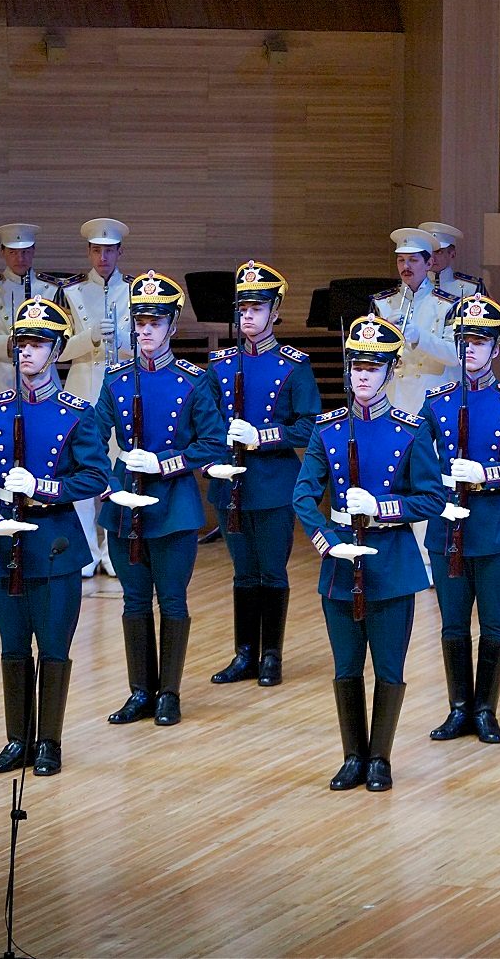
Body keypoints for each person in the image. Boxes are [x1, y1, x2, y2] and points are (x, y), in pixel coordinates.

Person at [292, 315, 447, 791]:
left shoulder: (410, 430)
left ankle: (380, 757)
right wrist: (327, 540)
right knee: (344, 668)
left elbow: (432, 498)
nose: (362, 375)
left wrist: (383, 506)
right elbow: (303, 496)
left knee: (388, 667)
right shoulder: (328, 429)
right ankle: (351, 756)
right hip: (341, 565)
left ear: (390, 372)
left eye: (373, 367)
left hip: (391, 562)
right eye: (356, 365)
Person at [0, 297, 110, 776]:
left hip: (55, 546)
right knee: (12, 646)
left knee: (52, 647)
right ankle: (15, 742)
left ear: (55, 350)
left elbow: (96, 476)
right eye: (21, 343)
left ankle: (48, 743)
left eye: (37, 344)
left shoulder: (76, 412)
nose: (26, 352)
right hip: (6, 547)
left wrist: (46, 487)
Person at [97, 271, 228, 728]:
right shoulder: (115, 379)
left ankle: (169, 692)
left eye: (156, 323)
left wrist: (166, 463)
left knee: (172, 600)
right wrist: (103, 477)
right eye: (140, 323)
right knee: (133, 601)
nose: (146, 331)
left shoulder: (193, 382)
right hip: (124, 504)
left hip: (172, 505)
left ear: (172, 326)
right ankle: (139, 691)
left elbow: (213, 444)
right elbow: (91, 436)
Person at [421, 294, 500, 744]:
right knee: (452, 623)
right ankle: (459, 708)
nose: (470, 350)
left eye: (480, 341)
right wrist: (440, 483)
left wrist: (488, 474)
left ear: (497, 349)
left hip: (495, 525)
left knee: (494, 622)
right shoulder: (436, 402)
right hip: (448, 527)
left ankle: (486, 710)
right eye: (464, 341)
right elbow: (413, 464)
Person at [204, 261, 320, 689]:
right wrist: (220, 443)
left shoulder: (294, 365)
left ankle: (271, 655)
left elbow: (309, 425)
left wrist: (263, 436)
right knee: (242, 572)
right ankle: (244, 654)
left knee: (272, 571)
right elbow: (203, 421)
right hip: (231, 482)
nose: (248, 315)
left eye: (258, 307)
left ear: (275, 312)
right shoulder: (219, 364)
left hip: (272, 481)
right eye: (243, 307)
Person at [58, 218, 133, 578]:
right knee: (80, 468)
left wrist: (121, 338)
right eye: (97, 250)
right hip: (81, 385)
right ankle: (86, 551)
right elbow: (54, 351)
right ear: (88, 251)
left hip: (120, 387)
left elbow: (152, 341)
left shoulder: (135, 290)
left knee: (118, 468)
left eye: (109, 250)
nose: (103, 257)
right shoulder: (68, 292)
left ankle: (112, 550)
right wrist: (87, 336)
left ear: (119, 251)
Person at [0, 223, 69, 398]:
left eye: (25, 252)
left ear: (34, 251)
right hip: (0, 384)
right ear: (2, 252)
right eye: (13, 252)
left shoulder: (52, 289)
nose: (20, 258)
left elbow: (66, 339)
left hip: (45, 385)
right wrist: (7, 343)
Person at [370, 228, 460, 415]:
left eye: (413, 260)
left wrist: (419, 337)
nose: (406, 267)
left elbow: (455, 356)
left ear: (429, 263)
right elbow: (370, 354)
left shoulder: (448, 304)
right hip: (394, 393)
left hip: (432, 393)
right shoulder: (381, 303)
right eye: (401, 260)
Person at [421, 221, 488, 298]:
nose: (432, 257)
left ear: (452, 255)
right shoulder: (414, 285)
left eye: (439, 252)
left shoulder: (472, 288)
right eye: (429, 251)